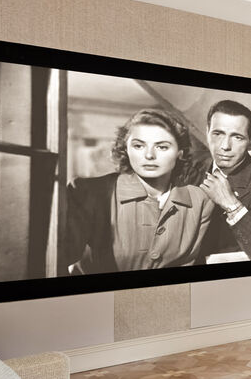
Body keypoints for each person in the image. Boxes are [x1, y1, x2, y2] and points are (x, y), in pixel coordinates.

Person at [62, 108, 215, 274]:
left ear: (180, 153)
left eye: (162, 147)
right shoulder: (90, 192)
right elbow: (58, 258)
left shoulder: (200, 200)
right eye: (138, 146)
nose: (149, 155)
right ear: (126, 149)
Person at [198, 99, 251, 260]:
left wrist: (232, 205)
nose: (225, 146)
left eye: (237, 137)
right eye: (217, 134)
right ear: (207, 132)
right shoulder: (193, 169)